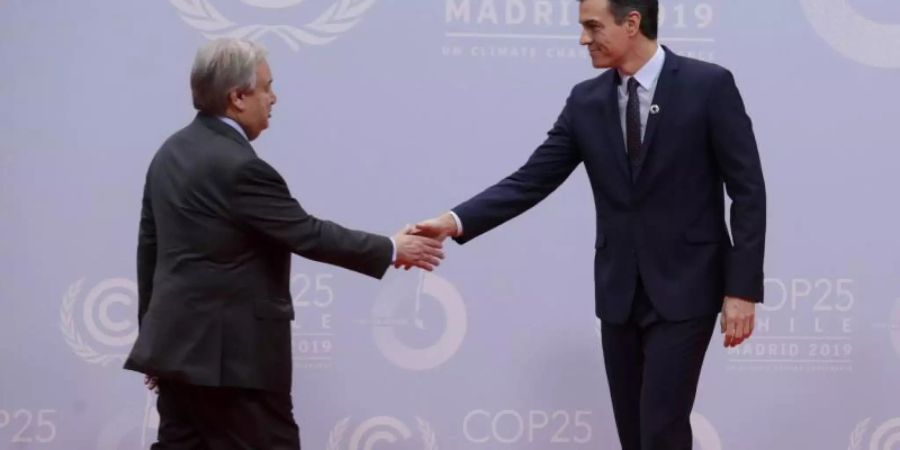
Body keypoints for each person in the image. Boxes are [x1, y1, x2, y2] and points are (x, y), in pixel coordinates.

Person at [414, 0, 766, 448]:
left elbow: (748, 190)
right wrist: (453, 221)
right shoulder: (586, 100)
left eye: (592, 27)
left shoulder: (708, 85)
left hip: (688, 288)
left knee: (661, 430)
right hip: (618, 292)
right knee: (634, 435)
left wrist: (742, 290)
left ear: (632, 23)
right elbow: (532, 179)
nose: (583, 39)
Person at [124, 38, 444, 449]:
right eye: (267, 87)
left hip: (178, 356)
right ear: (237, 97)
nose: (274, 98)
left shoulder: (169, 153)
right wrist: (392, 247)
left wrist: (154, 341)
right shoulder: (239, 168)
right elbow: (305, 232)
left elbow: (149, 251)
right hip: (232, 364)